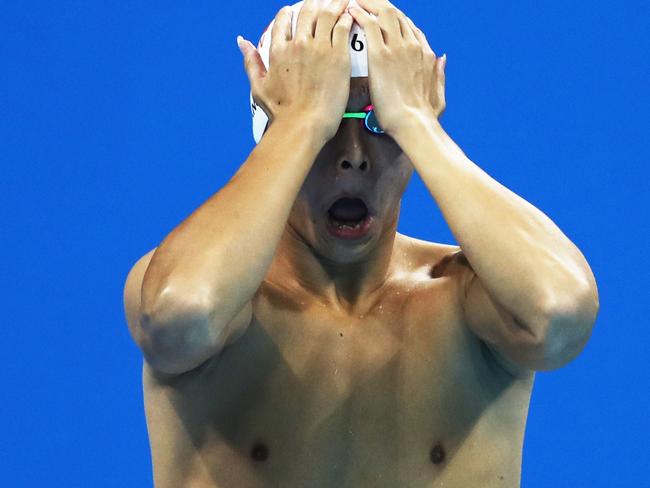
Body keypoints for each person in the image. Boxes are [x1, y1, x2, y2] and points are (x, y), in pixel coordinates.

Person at [122, 0, 599, 486]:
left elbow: (559, 315)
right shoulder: (212, 302)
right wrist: (300, 121)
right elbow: (179, 318)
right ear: (273, 131)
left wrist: (417, 122)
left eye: (377, 122)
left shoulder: (468, 300)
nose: (352, 155)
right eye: (329, 123)